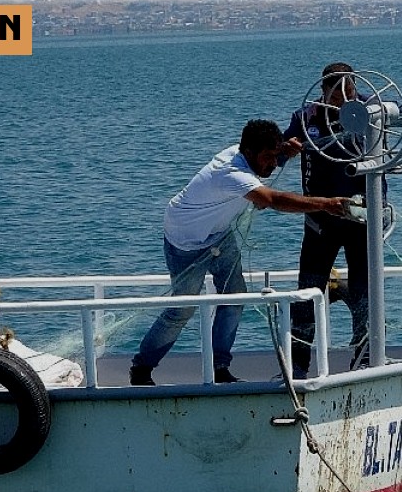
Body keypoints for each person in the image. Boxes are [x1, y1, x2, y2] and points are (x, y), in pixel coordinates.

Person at [129, 119, 352, 386]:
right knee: (182, 310)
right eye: (267, 158)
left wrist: (285, 150)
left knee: (235, 297)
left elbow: (269, 163)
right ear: (248, 152)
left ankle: (219, 368)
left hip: (219, 235)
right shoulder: (231, 173)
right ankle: (142, 368)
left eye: (274, 155)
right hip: (185, 241)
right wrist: (326, 204)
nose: (272, 163)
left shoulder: (247, 154)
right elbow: (272, 200)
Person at [283, 61, 402, 377]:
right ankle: (297, 364)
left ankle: (363, 356)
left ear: (355, 86)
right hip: (319, 222)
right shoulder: (304, 118)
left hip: (363, 220)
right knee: (306, 291)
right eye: (334, 90)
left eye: (347, 88)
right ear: (323, 89)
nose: (342, 96)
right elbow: (282, 150)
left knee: (365, 290)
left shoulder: (373, 109)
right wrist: (287, 148)